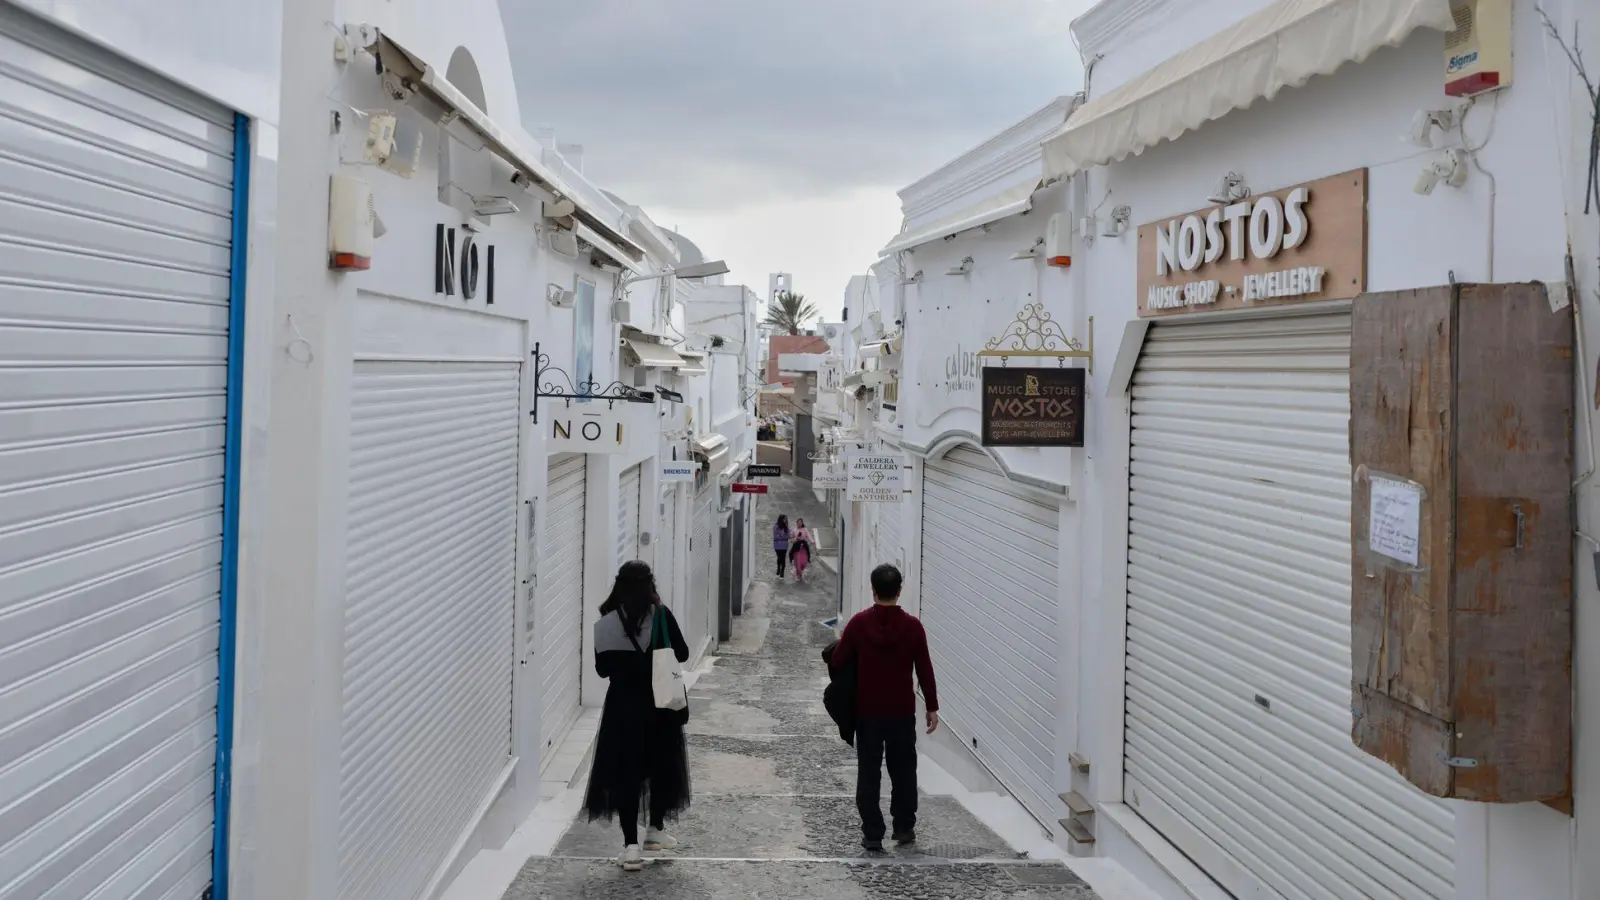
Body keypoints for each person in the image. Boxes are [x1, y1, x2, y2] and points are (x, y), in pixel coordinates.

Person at [582, 561, 692, 872]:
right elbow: (683, 653)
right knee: (661, 766)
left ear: (618, 585)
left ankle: (631, 847)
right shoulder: (661, 616)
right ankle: (655, 830)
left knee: (626, 772)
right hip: (660, 705)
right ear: (649, 585)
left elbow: (602, 670)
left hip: (623, 708)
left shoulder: (605, 624)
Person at [830, 564, 939, 852]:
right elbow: (924, 668)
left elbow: (838, 661)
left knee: (869, 772)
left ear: (873, 590)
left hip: (867, 712)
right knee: (904, 771)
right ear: (899, 591)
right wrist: (931, 706)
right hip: (901, 712)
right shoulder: (913, 627)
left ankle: (872, 833)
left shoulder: (858, 624)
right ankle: (903, 826)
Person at [790, 517, 813, 583]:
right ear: (796, 523)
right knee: (798, 563)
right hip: (796, 549)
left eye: (801, 522)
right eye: (798, 522)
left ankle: (800, 571)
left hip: (803, 548)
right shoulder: (794, 530)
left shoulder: (805, 529)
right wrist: (796, 539)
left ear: (802, 523)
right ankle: (798, 575)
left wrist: (812, 541)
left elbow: (809, 535)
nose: (799, 524)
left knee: (804, 563)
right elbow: (791, 540)